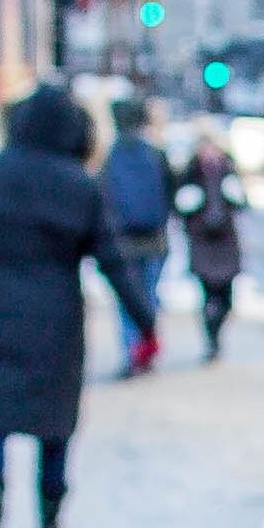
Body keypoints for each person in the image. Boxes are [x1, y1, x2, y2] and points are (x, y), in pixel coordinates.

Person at [0, 85, 152, 528]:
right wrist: (145, 320)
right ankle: (49, 521)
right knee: (53, 427)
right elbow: (113, 260)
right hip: (54, 321)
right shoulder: (78, 184)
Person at [99, 98, 178, 377]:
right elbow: (171, 194)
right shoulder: (155, 154)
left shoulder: (111, 157)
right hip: (155, 239)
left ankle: (132, 350)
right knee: (150, 295)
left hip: (123, 242)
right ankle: (147, 346)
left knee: (127, 298)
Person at [177, 132, 247, 363]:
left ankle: (216, 334)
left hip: (225, 242)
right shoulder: (190, 174)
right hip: (203, 242)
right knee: (208, 296)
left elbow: (241, 203)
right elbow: (179, 204)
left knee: (226, 297)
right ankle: (212, 341)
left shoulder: (229, 171)